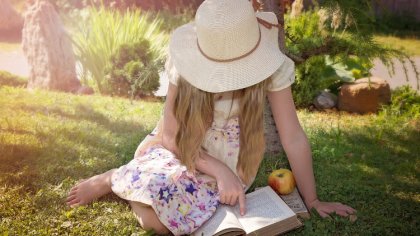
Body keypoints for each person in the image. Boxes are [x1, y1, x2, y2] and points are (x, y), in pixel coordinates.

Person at [66, 0, 356, 235]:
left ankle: (132, 185)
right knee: (156, 220)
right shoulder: (182, 66)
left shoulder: (273, 69)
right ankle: (113, 178)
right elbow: (170, 136)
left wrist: (314, 200)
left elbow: (292, 136)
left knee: (178, 218)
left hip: (233, 161)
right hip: (181, 150)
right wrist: (219, 171)